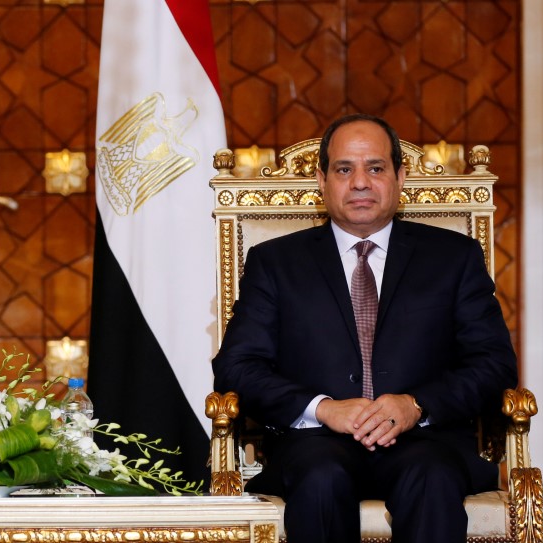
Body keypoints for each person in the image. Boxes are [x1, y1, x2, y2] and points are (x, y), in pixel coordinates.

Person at [212, 113, 518, 543]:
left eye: (375, 168)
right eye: (344, 169)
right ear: (321, 180)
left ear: (400, 176)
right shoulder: (276, 263)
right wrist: (323, 408)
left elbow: (494, 364)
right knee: (321, 477)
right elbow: (238, 366)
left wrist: (416, 404)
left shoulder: (453, 257)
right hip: (315, 443)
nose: (360, 182)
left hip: (426, 442)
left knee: (430, 475)